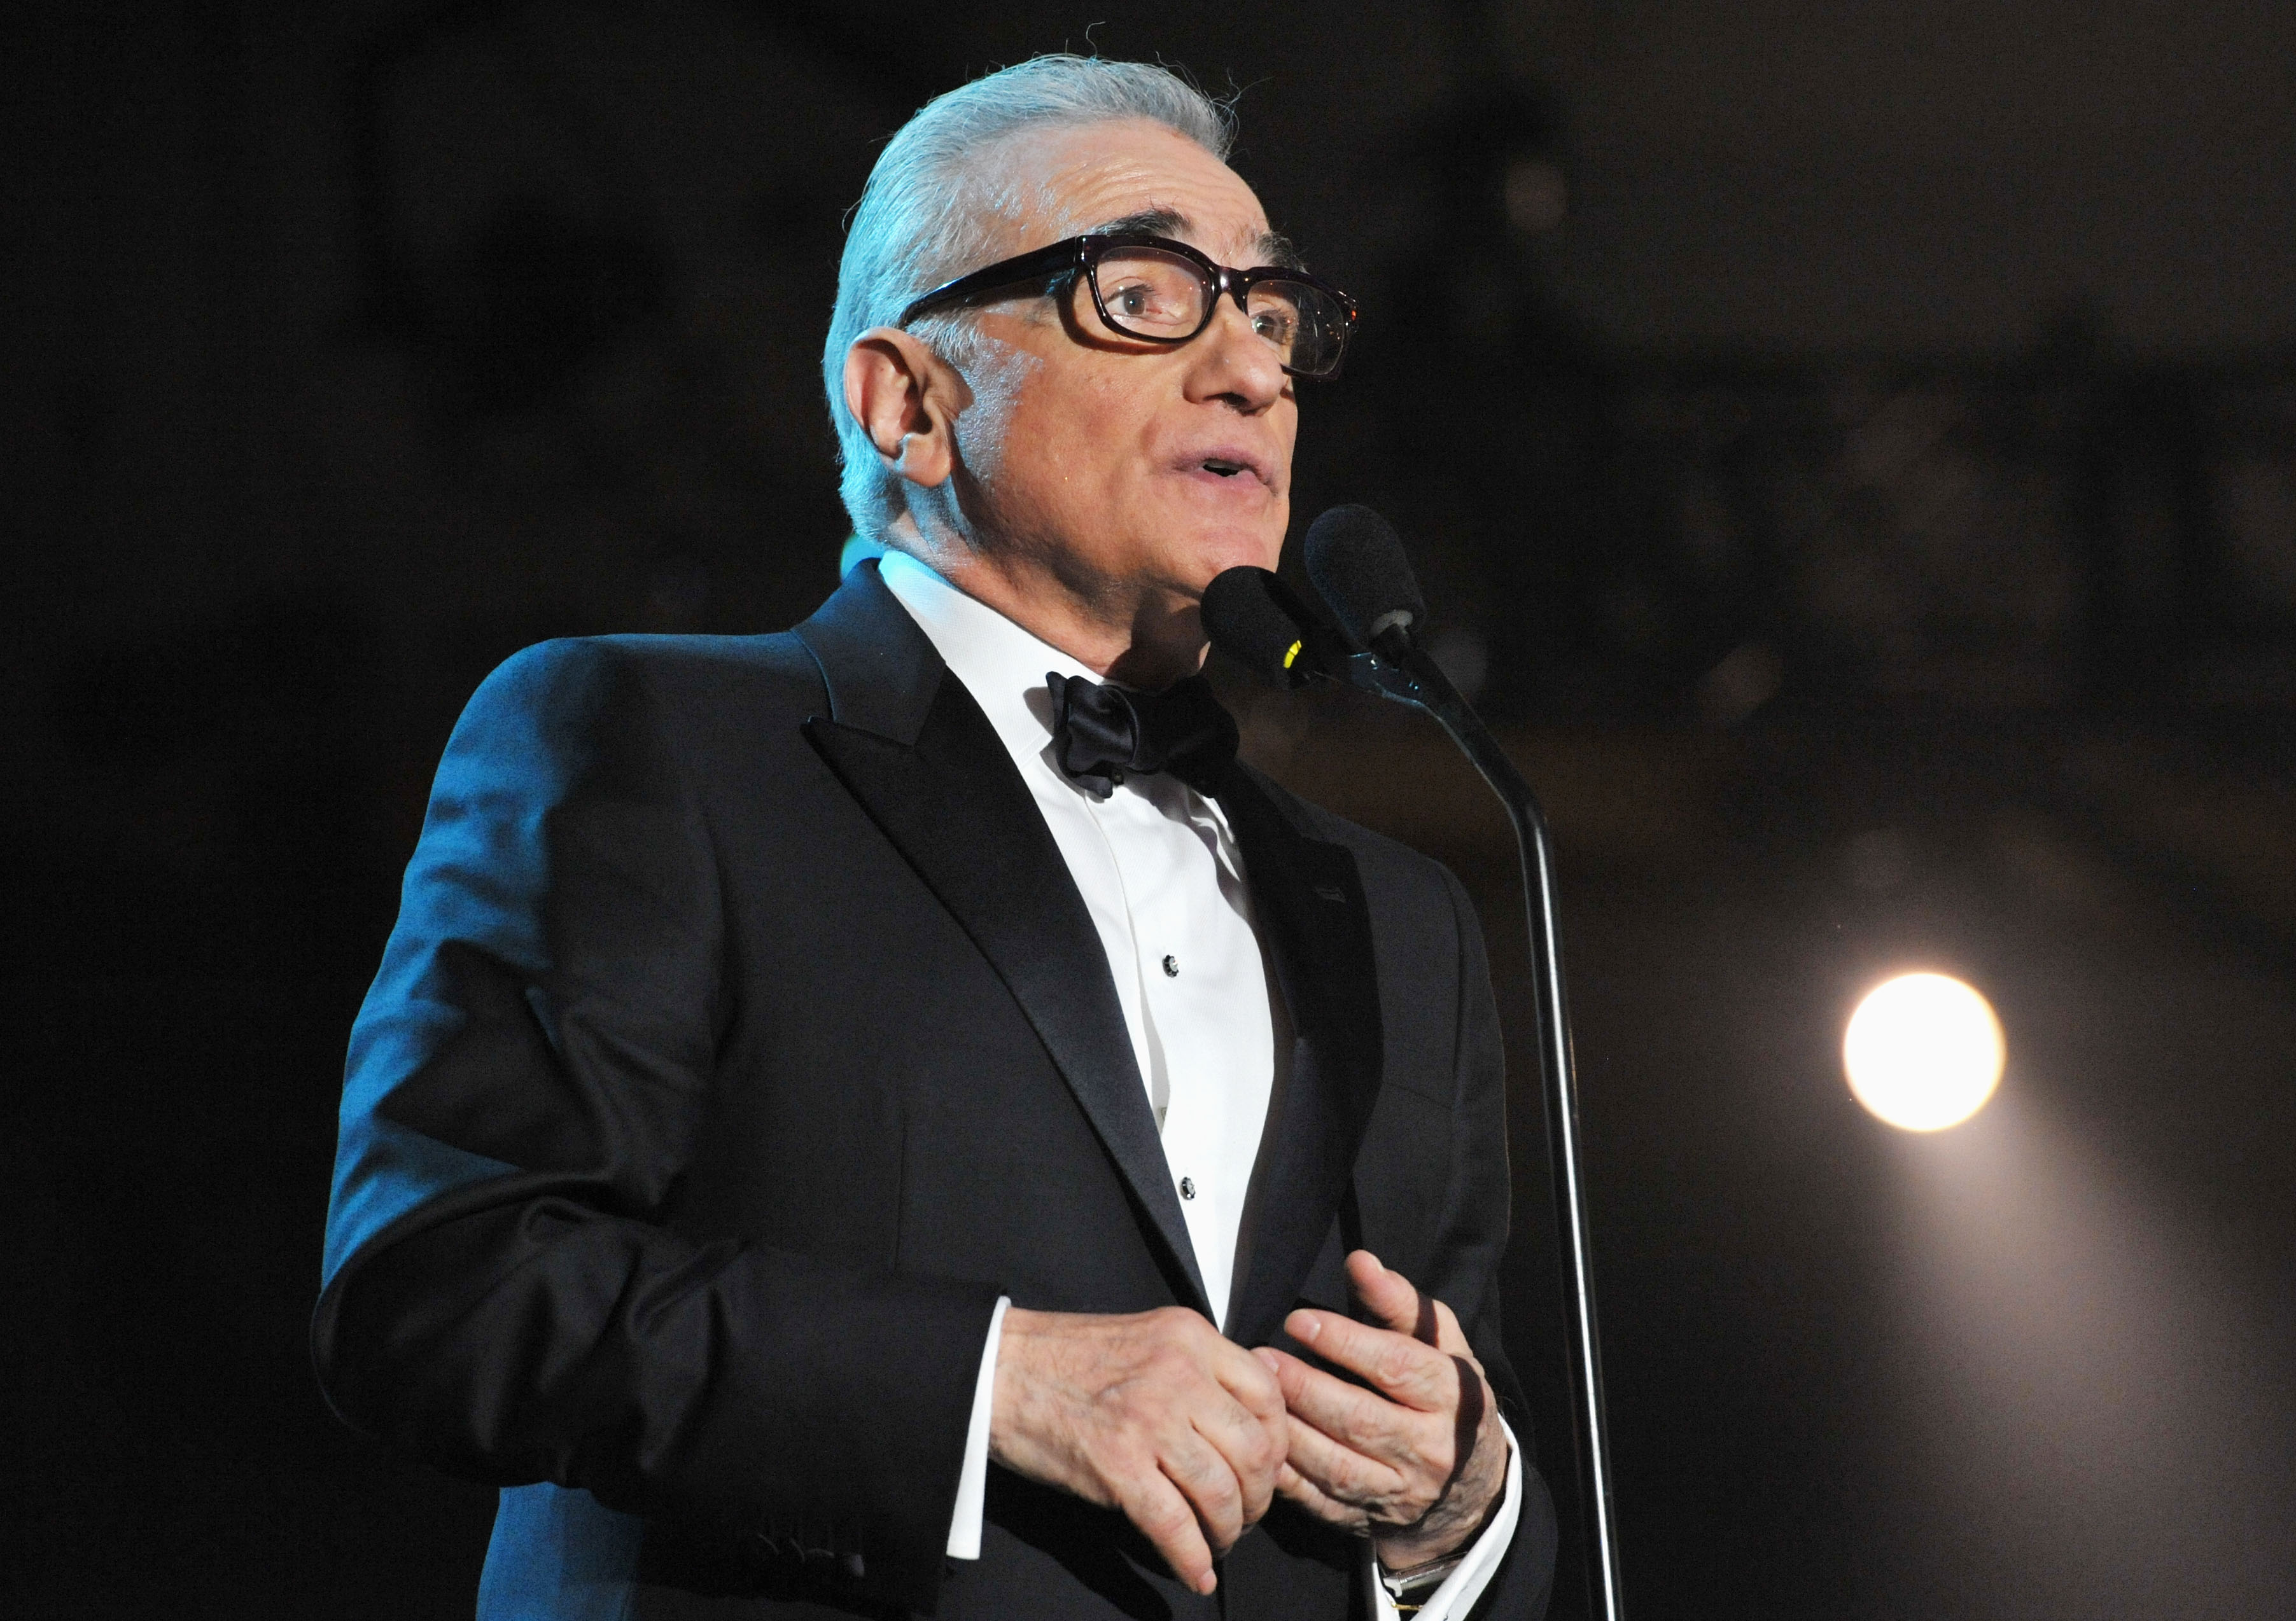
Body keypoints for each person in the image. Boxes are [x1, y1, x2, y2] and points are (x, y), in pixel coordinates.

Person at [315, 53, 1558, 1620]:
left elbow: (1470, 1463)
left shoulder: (1402, 916)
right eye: (1148, 292)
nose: (1250, 367)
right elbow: (442, 1290)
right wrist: (992, 1381)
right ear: (908, 401)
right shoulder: (651, 739)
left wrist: (1456, 1506)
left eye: (1271, 313)